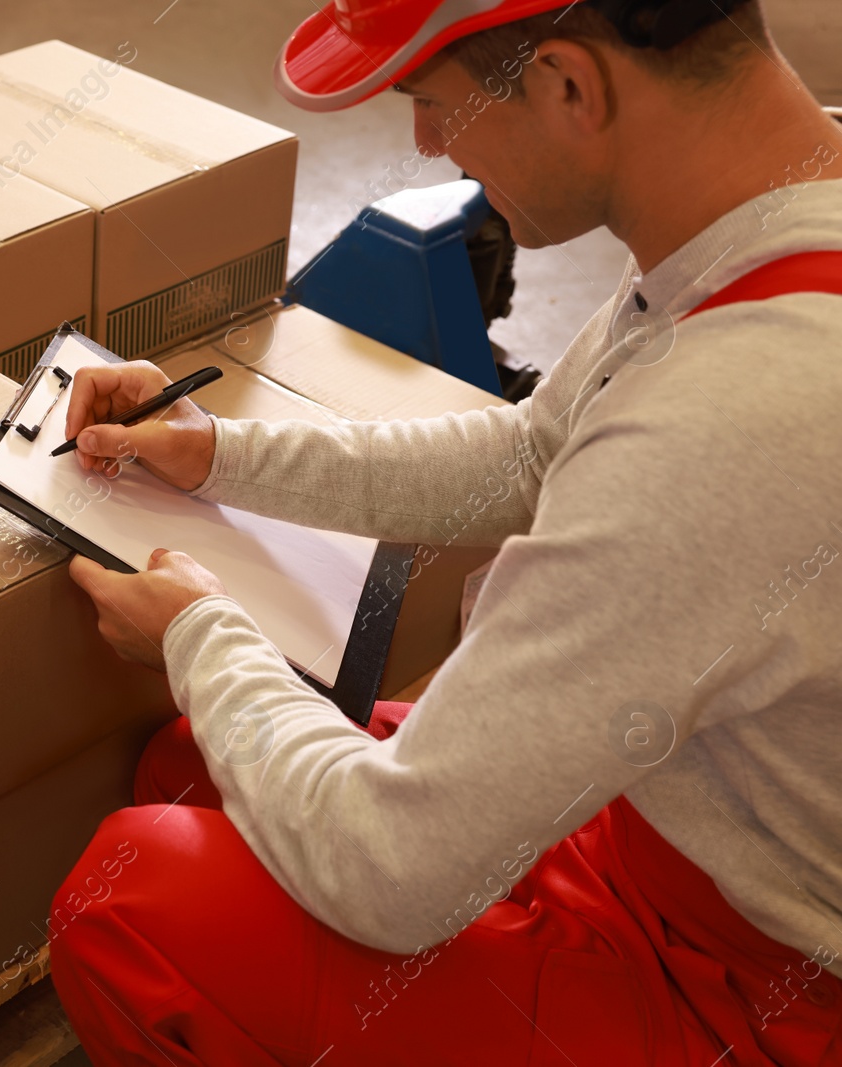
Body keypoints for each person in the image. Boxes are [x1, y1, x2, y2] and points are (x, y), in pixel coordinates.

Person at [49, 0, 842, 1063]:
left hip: (753, 987)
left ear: (569, 85)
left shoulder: (733, 421)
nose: (423, 143)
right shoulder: (763, 203)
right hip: (681, 818)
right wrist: (222, 454)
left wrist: (201, 632)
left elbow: (388, 869)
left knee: (129, 903)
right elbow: (530, 455)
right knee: (196, 761)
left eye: (432, 102)